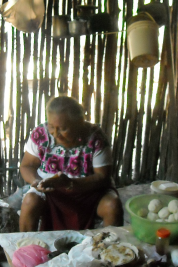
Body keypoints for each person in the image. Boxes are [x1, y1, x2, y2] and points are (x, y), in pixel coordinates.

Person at [19, 96, 124, 232]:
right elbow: (27, 165)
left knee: (112, 205)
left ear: (79, 123)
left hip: (89, 192)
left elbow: (102, 177)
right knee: (30, 201)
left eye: (63, 128)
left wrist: (70, 184)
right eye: (51, 126)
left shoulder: (95, 139)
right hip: (50, 192)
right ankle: (26, 249)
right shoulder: (41, 135)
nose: (56, 134)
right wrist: (36, 181)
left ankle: (111, 249)